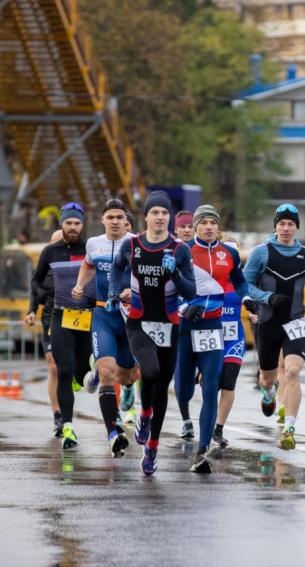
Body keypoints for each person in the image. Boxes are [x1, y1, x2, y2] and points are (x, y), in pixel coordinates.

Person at [108, 191, 196, 476]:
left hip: (169, 325)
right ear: (145, 217)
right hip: (138, 322)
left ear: (169, 218)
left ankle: (153, 448)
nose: (160, 217)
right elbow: (116, 270)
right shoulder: (132, 245)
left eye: (165, 213)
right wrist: (113, 292)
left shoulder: (179, 249)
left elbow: (190, 291)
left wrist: (177, 276)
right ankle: (143, 415)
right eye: (155, 212)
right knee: (150, 371)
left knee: (161, 388)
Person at [243, 204, 305, 450]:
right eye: (282, 223)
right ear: (275, 225)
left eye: (291, 224)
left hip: (296, 321)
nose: (286, 228)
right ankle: (269, 393)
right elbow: (244, 285)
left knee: (293, 371)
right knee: (267, 378)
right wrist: (267, 298)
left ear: (297, 227)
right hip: (268, 322)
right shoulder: (260, 252)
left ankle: (289, 428)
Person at [175, 206, 259, 472]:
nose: (209, 227)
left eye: (213, 222)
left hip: (213, 326)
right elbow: (171, 287)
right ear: (196, 227)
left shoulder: (229, 253)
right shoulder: (182, 251)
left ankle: (201, 452)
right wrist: (182, 308)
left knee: (211, 385)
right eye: (204, 223)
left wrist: (246, 298)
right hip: (187, 326)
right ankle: (183, 413)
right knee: (185, 389)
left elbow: (240, 281)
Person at [71, 198, 137, 457]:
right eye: (110, 217)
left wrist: (136, 292)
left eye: (119, 217)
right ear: (103, 220)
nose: (115, 221)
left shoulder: (136, 244)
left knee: (126, 376)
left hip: (130, 316)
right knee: (109, 372)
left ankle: (113, 379)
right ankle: (113, 433)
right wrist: (79, 285)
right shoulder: (93, 243)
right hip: (102, 314)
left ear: (125, 221)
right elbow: (88, 265)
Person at [31, 203, 96, 451]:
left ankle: (88, 378)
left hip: (88, 316)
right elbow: (36, 279)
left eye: (77, 223)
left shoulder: (90, 247)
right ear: (62, 225)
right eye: (68, 223)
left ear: (82, 225)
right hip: (61, 317)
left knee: (82, 372)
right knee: (64, 370)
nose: (72, 227)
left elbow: (102, 275)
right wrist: (40, 296)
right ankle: (67, 426)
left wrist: (94, 297)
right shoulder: (50, 251)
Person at [213, 236, 259, 447]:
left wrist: (253, 314)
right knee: (210, 384)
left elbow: (251, 302)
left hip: (234, 338)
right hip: (211, 337)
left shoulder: (242, 281)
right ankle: (207, 422)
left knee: (229, 382)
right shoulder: (211, 277)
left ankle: (219, 429)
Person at [25, 230, 64, 436]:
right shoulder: (44, 265)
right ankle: (58, 415)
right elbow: (34, 287)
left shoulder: (75, 262)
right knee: (53, 366)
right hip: (49, 320)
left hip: (73, 320)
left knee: (73, 367)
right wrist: (32, 311)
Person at [174, 209, 197, 440]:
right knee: (182, 380)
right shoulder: (172, 251)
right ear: (176, 229)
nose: (188, 230)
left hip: (206, 322)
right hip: (179, 324)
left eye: (191, 226)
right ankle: (186, 419)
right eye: (183, 227)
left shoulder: (204, 249)